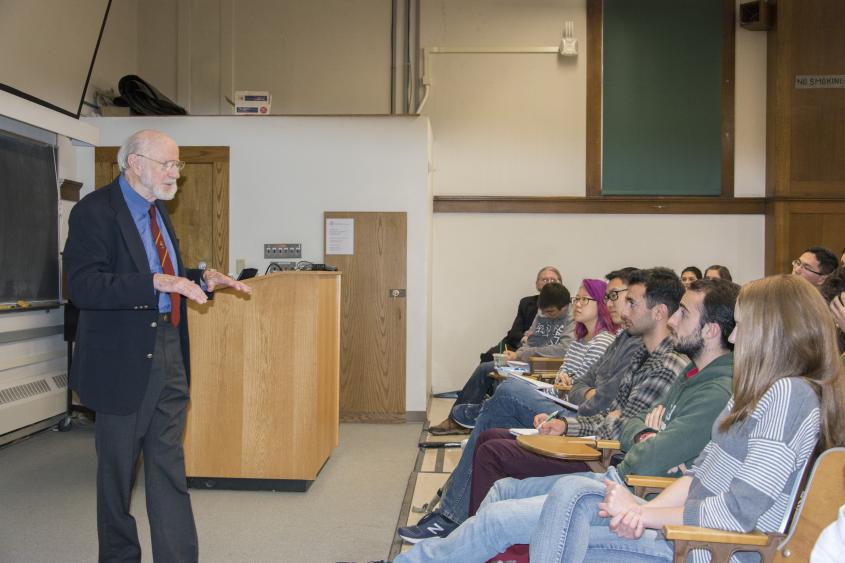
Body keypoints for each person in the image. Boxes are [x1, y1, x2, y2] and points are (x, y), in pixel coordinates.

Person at [393, 277, 739, 562]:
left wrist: (641, 431)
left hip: (627, 488)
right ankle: (460, 536)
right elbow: (616, 412)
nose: (675, 320)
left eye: (684, 313)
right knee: (502, 486)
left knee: (499, 473)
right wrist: (643, 430)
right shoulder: (688, 371)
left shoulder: (704, 384)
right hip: (620, 476)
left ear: (710, 331)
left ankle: (429, 548)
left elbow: (645, 451)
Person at [528, 274, 845, 562]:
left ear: (773, 332)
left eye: (742, 326)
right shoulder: (751, 391)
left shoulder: (789, 395)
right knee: (571, 492)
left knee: (572, 508)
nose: (733, 340)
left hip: (713, 547)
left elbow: (738, 512)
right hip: (688, 533)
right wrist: (641, 511)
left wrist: (647, 517)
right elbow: (697, 474)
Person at [63, 129, 252, 563]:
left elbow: (164, 270)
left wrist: (202, 277)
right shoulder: (96, 211)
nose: (176, 174)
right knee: (117, 477)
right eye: (168, 164)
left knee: (168, 467)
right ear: (134, 163)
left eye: (177, 165)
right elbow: (83, 285)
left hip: (169, 349)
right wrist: (155, 283)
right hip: (122, 361)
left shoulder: (157, 212)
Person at [451, 278, 619, 430]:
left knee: (509, 388)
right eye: (577, 299)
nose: (578, 304)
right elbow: (564, 370)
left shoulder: (602, 341)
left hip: (570, 413)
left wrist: (567, 382)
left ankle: (482, 410)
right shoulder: (579, 340)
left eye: (585, 299)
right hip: (555, 396)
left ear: (602, 305)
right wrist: (562, 377)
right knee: (493, 421)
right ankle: (484, 413)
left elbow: (582, 389)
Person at [428, 282, 574, 435]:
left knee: (505, 384)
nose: (546, 315)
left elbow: (563, 350)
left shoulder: (572, 320)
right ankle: (456, 420)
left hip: (548, 367)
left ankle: (485, 421)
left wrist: (522, 355)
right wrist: (517, 355)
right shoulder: (542, 312)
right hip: (528, 362)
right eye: (543, 311)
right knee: (485, 368)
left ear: (564, 307)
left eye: (550, 312)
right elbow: (530, 339)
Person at [479, 266, 563, 362]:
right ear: (537, 284)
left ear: (560, 284)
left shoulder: (564, 308)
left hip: (535, 350)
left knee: (488, 368)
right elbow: (514, 332)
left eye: (553, 280)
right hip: (515, 345)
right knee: (489, 356)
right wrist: (525, 339)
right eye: (544, 280)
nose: (548, 283)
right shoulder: (526, 302)